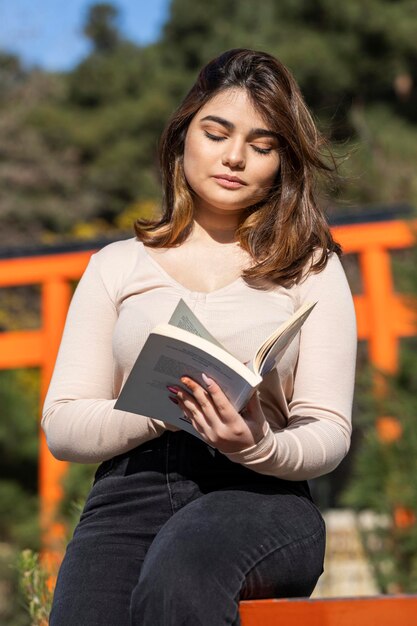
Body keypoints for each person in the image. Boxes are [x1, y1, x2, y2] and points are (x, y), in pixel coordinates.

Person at [42, 48, 357, 625]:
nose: (234, 157)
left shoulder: (312, 266)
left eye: (262, 147)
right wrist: (165, 408)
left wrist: (258, 445)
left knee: (182, 570)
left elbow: (329, 430)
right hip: (129, 489)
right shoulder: (116, 265)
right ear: (183, 134)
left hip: (258, 491)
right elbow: (62, 423)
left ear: (282, 163)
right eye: (216, 133)